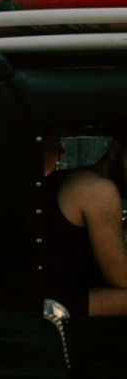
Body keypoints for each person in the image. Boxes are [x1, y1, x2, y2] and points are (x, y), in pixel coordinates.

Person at [41, 132, 127, 316]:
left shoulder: (69, 177)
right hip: (59, 302)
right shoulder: (99, 189)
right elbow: (122, 279)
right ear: (115, 151)